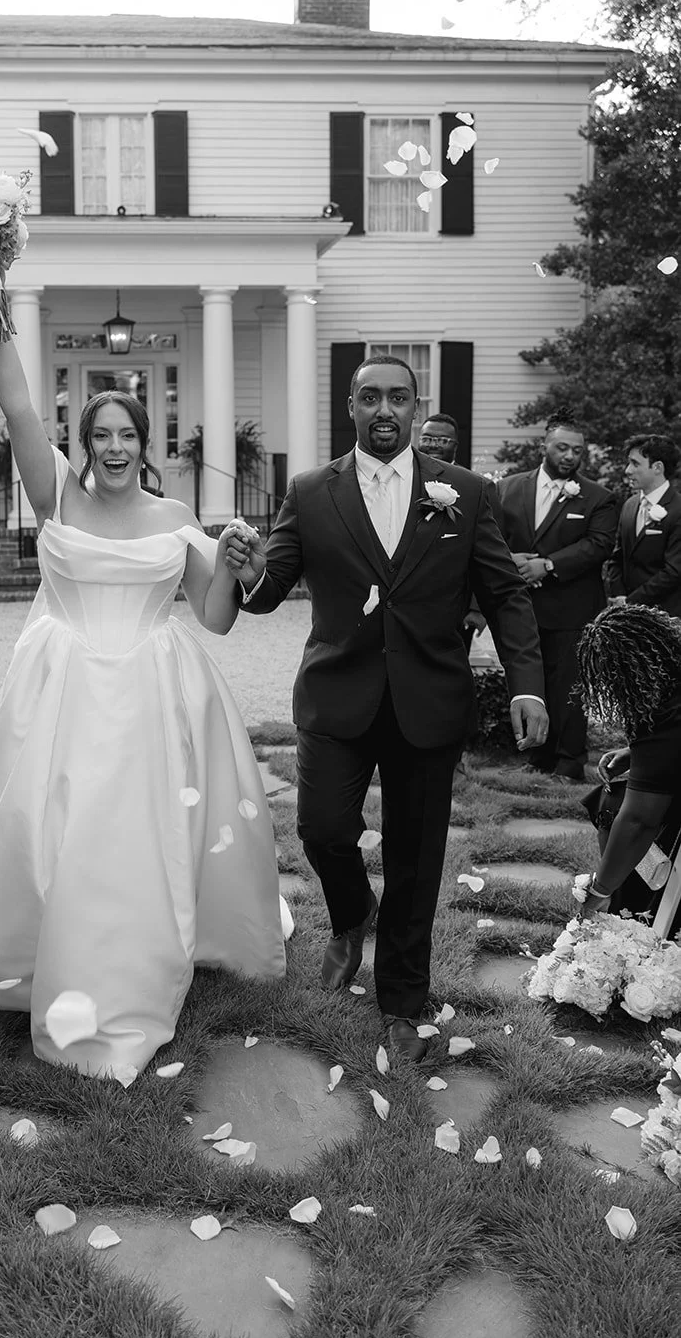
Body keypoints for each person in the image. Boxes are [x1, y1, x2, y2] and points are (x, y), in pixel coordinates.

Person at [0, 287, 286, 1081]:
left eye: (127, 434)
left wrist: (238, 573)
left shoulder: (176, 515)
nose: (114, 447)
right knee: (56, 826)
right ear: (82, 442)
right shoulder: (55, 493)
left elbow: (214, 619)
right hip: (64, 688)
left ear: (145, 443)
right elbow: (17, 404)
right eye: (101, 434)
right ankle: (41, 948)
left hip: (156, 691)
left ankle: (139, 955)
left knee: (141, 830)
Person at [227, 355, 546, 1062]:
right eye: (369, 397)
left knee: (415, 859)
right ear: (349, 406)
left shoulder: (465, 492)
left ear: (414, 408)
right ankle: (351, 913)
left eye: (398, 398)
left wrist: (526, 684)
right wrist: (249, 573)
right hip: (336, 694)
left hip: (427, 702)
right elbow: (271, 587)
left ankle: (401, 1002)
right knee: (322, 830)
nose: (384, 410)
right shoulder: (311, 491)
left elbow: (503, 593)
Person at [494, 414, 617, 781]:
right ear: (543, 446)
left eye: (577, 450)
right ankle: (537, 757)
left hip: (571, 609)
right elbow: (491, 538)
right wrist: (511, 560)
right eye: (562, 448)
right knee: (532, 683)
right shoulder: (507, 488)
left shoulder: (599, 497)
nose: (569, 456)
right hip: (522, 608)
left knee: (568, 687)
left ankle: (569, 762)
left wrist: (547, 565)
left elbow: (599, 545)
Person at [572, 604, 681, 933]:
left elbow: (638, 821)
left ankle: (626, 905)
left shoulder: (665, 713)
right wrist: (636, 753)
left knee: (616, 807)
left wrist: (598, 892)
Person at [416, 413, 486, 654]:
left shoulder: (477, 487)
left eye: (442, 440)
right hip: (407, 603)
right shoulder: (404, 481)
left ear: (456, 445)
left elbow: (488, 555)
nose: (434, 445)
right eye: (427, 438)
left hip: (456, 606)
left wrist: (477, 608)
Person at [603, 433, 681, 617]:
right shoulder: (629, 505)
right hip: (626, 615)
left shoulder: (678, 509)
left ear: (657, 467)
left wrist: (631, 602)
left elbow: (674, 571)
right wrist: (619, 595)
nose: (628, 470)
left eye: (635, 464)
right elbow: (617, 557)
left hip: (666, 617)